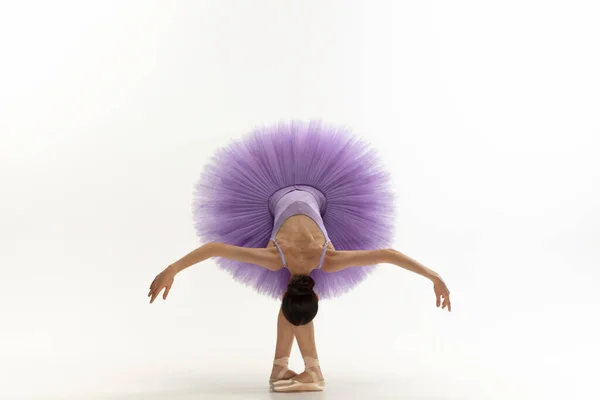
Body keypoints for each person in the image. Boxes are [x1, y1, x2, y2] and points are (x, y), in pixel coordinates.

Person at [148, 121, 451, 392]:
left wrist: (433, 276)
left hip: (294, 193)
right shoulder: (274, 258)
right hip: (300, 191)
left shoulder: (325, 260)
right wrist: (172, 269)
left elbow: (387, 254)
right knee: (295, 310)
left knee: (296, 310)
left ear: (317, 297)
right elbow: (215, 246)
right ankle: (305, 369)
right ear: (310, 297)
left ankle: (293, 368)